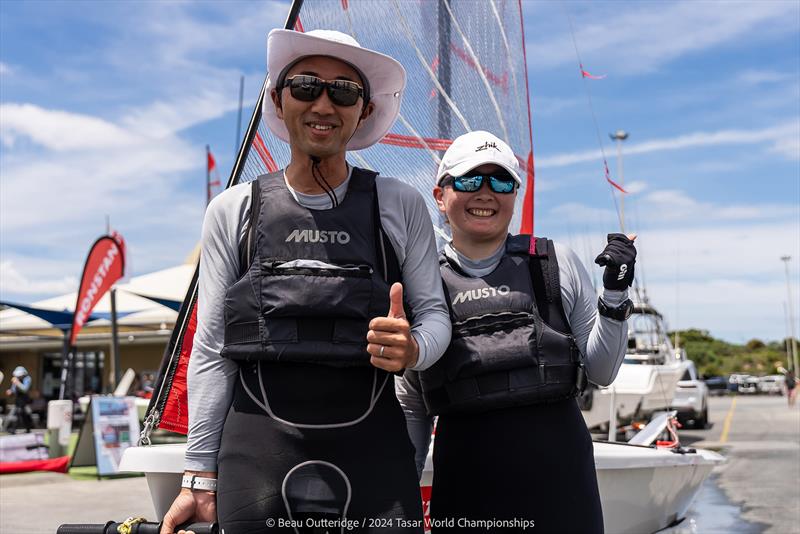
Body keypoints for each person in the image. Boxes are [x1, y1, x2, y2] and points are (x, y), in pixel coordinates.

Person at [161, 29, 451, 534]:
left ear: (363, 111)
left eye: (344, 92)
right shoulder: (232, 210)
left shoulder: (400, 204)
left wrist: (413, 350)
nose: (324, 103)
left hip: (375, 458)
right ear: (277, 99)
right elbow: (210, 349)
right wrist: (199, 473)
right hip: (257, 459)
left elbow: (434, 319)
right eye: (306, 86)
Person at [397, 131, 637, 533]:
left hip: (562, 494)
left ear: (515, 194)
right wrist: (399, 503)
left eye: (502, 181)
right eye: (471, 180)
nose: (486, 193)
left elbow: (602, 372)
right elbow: (411, 406)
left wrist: (614, 294)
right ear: (440, 196)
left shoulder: (553, 262)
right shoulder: (423, 284)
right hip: (467, 495)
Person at [5, 365, 33, 433]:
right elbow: (13, 390)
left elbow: (25, 389)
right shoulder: (16, 379)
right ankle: (14, 429)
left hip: (25, 400)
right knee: (20, 414)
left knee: (22, 413)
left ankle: (16, 429)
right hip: (18, 400)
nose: (18, 376)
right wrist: (10, 392)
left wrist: (17, 383)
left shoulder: (27, 379)